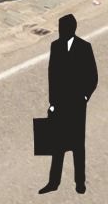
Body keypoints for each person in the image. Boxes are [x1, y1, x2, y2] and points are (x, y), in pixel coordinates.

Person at [46, 13, 96, 194]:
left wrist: (84, 97)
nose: (60, 32)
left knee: (77, 146)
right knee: (57, 145)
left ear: (71, 29)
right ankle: (53, 182)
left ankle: (80, 182)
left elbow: (93, 76)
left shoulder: (84, 47)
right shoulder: (55, 46)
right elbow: (52, 75)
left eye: (63, 28)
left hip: (76, 104)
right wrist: (52, 102)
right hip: (59, 103)